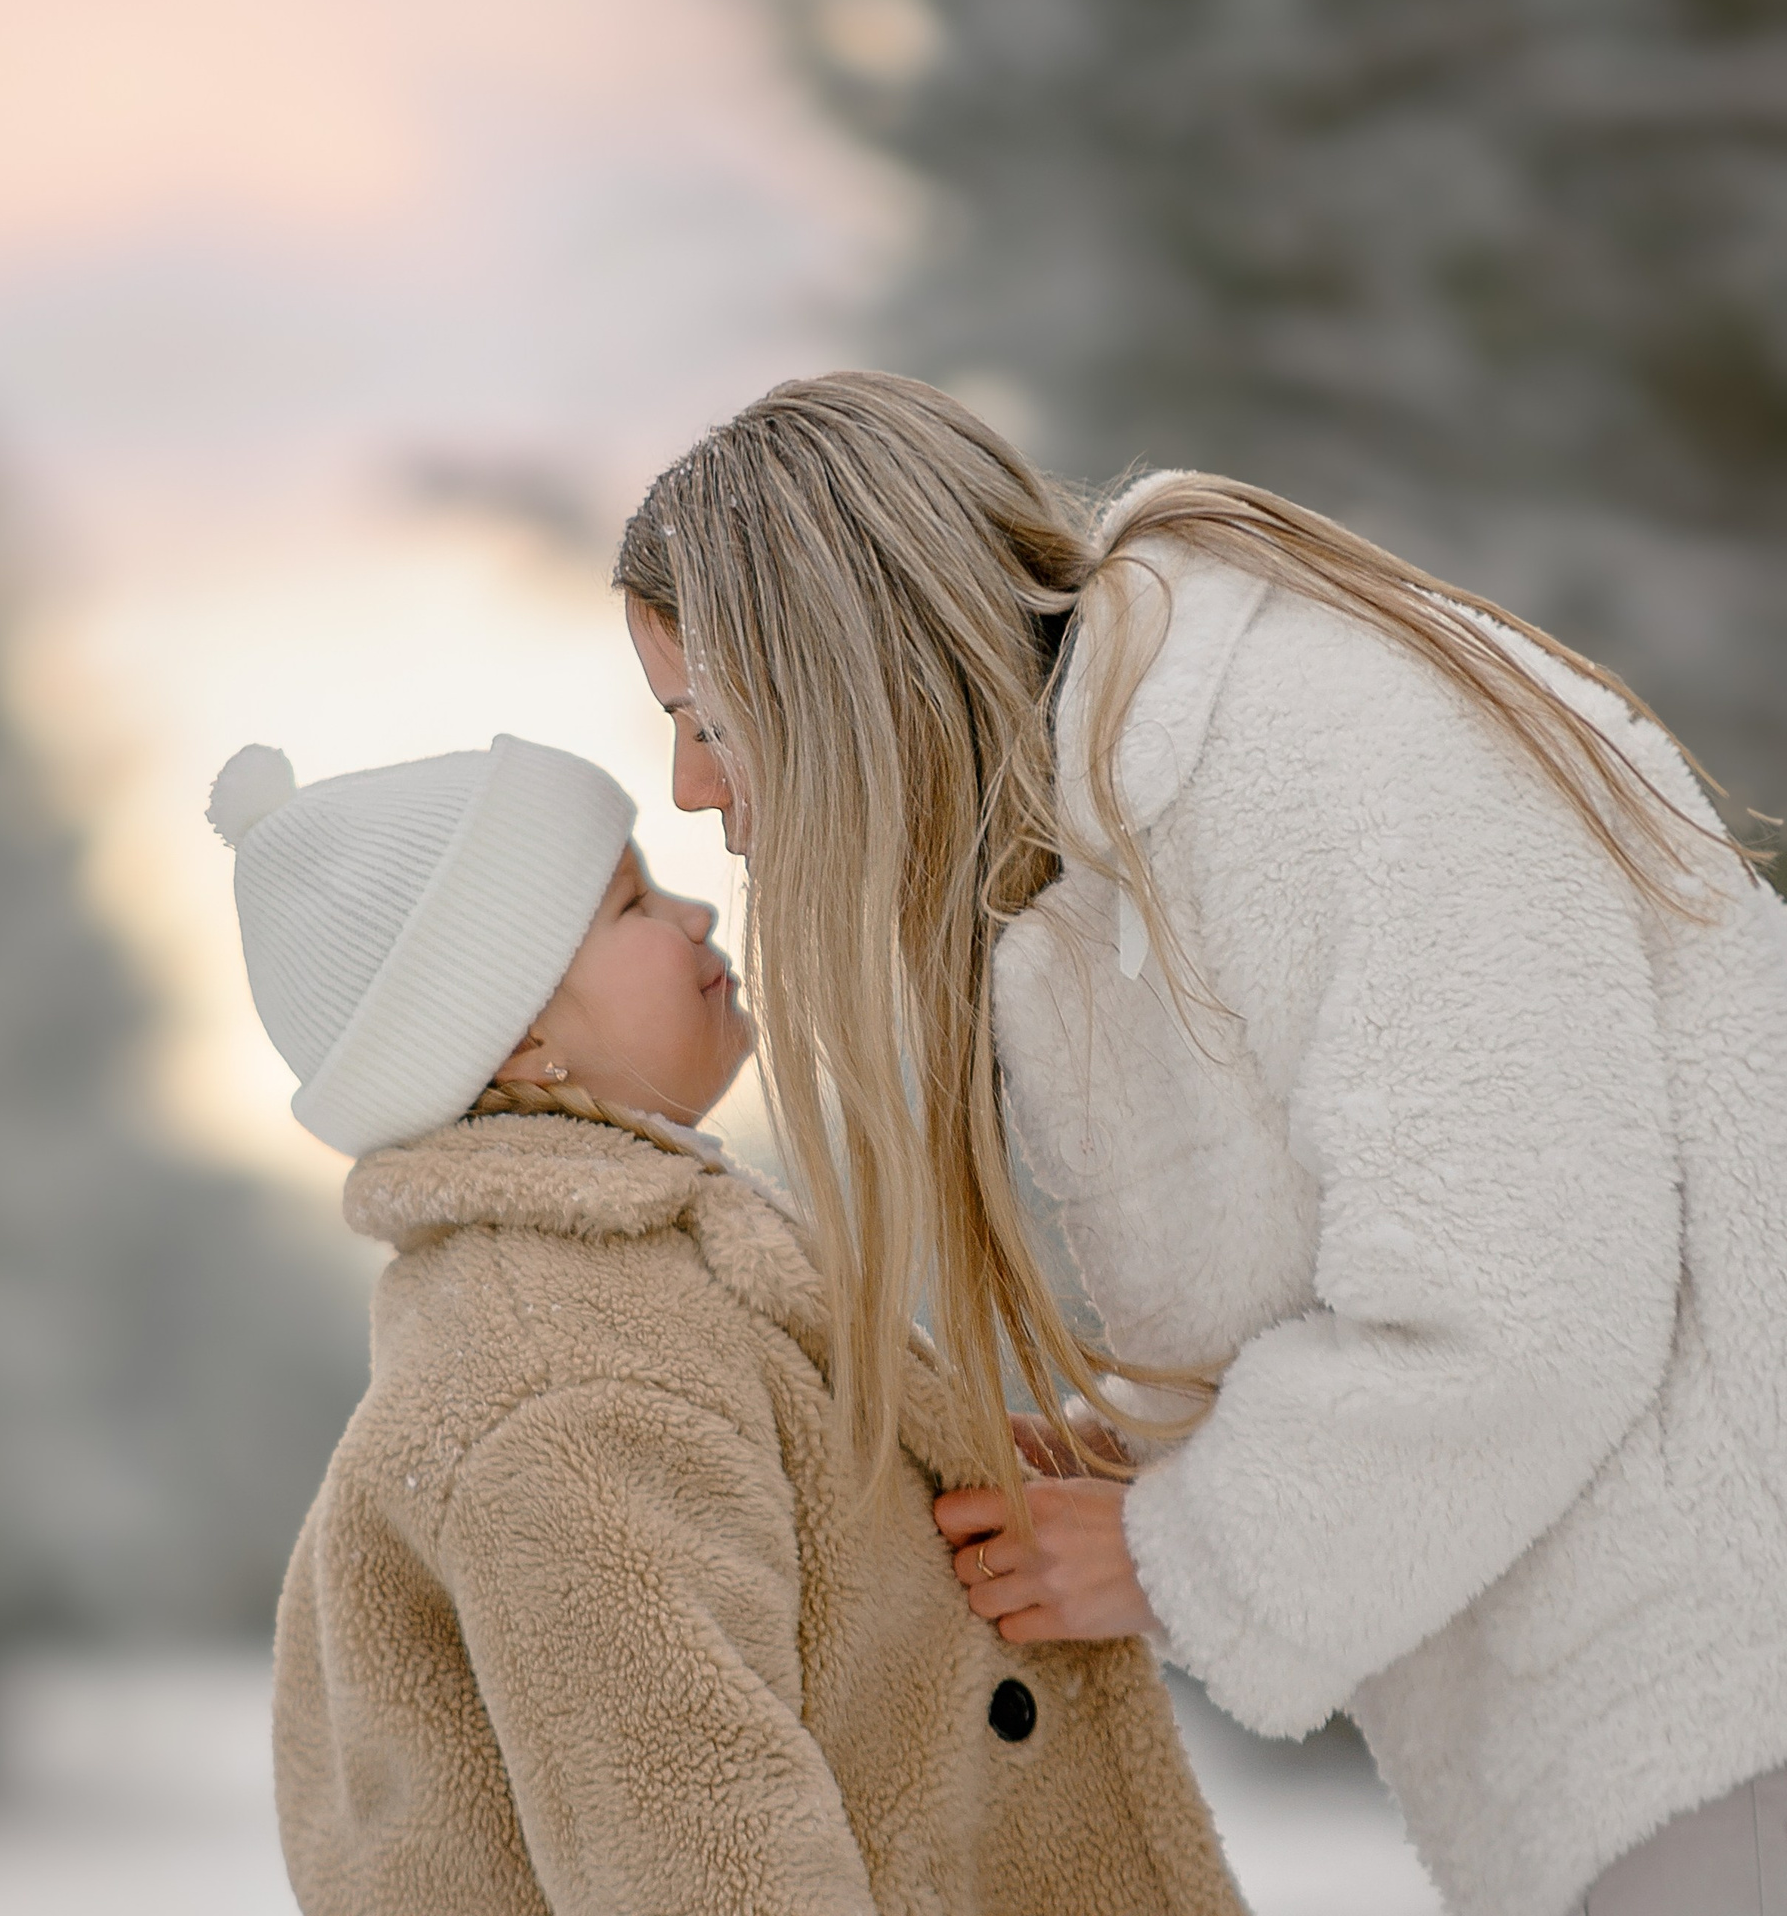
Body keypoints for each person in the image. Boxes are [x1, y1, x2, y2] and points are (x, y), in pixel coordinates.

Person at [614, 369, 1787, 1916]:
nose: (691, 788)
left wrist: (1184, 1555)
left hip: (1729, 1686)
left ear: (831, 667)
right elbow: (1377, 1248)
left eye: (704, 719)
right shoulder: (1107, 860)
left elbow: (1524, 1303)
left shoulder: (1310, 754)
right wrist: (1139, 1441)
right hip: (1648, 1719)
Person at [209, 728, 1246, 1916]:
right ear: (517, 1036)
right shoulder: (569, 1375)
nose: (694, 911)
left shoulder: (644, 1283)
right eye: (630, 901)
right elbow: (697, 1845)